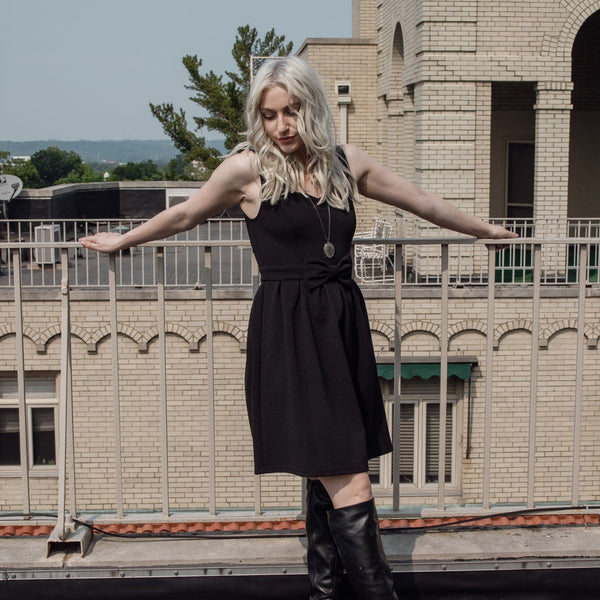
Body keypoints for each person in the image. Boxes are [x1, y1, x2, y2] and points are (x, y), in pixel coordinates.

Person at [80, 56, 517, 600]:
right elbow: (185, 215)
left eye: (291, 111)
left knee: (324, 471)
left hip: (341, 325)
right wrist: (122, 240)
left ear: (311, 107)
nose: (282, 126)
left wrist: (483, 230)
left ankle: (326, 591)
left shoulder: (344, 163)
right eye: (269, 115)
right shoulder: (247, 170)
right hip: (288, 335)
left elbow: (420, 202)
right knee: (350, 477)